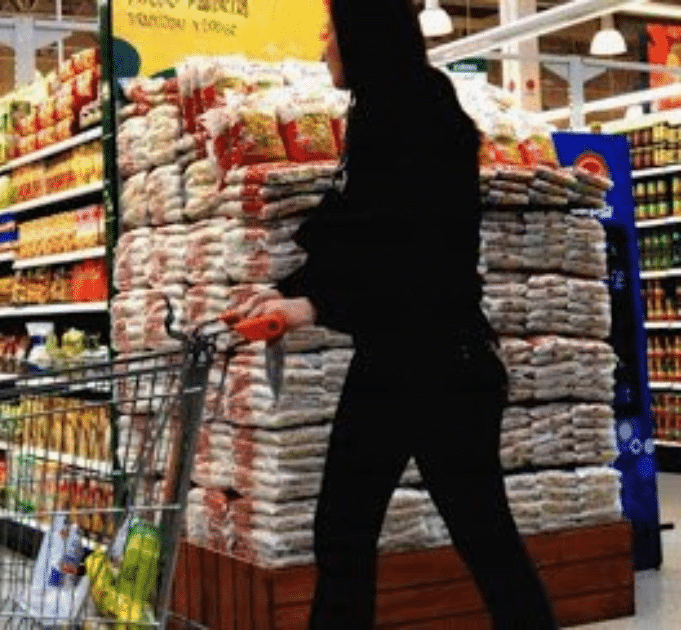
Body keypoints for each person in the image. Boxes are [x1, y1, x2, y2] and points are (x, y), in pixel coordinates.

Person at [230, 2, 559, 628]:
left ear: (364, 34)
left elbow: (409, 247)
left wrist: (312, 304)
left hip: (438, 365)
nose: (323, 47)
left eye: (331, 31)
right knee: (352, 532)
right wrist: (283, 292)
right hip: (400, 358)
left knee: (470, 537)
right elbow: (357, 230)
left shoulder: (415, 113)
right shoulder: (387, 108)